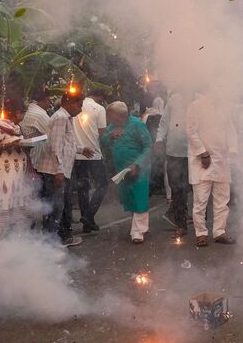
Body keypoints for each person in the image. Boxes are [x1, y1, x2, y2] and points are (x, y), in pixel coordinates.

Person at [186, 90, 238, 247]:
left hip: (221, 160)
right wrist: (203, 153)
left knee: (222, 200)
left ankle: (219, 232)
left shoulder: (224, 107)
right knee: (200, 201)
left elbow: (230, 130)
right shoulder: (195, 106)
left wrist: (234, 150)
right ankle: (201, 233)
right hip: (202, 161)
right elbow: (191, 131)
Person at [36, 91, 86, 247]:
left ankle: (58, 239)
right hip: (54, 171)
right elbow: (55, 146)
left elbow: (65, 143)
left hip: (59, 170)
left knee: (60, 206)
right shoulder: (61, 118)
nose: (80, 109)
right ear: (69, 103)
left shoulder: (64, 117)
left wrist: (80, 149)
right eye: (79, 105)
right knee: (56, 208)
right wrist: (59, 171)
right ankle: (50, 243)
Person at [0, 100, 33, 252]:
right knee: (2, 208)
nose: (23, 115)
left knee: (16, 208)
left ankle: (10, 243)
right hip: (2, 174)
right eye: (22, 112)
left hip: (17, 175)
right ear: (16, 112)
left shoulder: (16, 127)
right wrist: (9, 144)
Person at [102, 101, 153, 244]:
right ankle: (140, 227)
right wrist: (111, 136)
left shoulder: (137, 125)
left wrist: (137, 163)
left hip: (139, 168)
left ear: (120, 116)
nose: (109, 119)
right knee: (129, 198)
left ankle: (138, 232)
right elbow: (103, 142)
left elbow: (148, 146)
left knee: (139, 196)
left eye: (111, 116)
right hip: (122, 170)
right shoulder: (113, 126)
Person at [72, 88, 106, 233]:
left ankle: (87, 221)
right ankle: (88, 215)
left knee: (82, 187)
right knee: (103, 184)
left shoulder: (74, 106)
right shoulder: (99, 108)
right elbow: (102, 133)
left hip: (77, 153)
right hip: (93, 154)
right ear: (100, 98)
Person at [156, 91, 190, 239]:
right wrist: (159, 139)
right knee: (177, 189)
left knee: (192, 188)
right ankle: (181, 224)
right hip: (173, 153)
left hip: (194, 154)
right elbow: (164, 123)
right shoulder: (173, 101)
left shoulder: (199, 101)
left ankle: (197, 221)